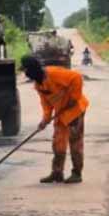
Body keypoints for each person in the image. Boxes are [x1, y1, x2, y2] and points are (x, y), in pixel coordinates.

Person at [20, 56, 90, 184]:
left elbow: (77, 77)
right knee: (58, 142)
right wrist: (45, 120)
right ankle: (57, 173)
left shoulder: (54, 73)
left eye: (25, 70)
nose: (25, 74)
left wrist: (74, 98)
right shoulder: (38, 85)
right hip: (61, 113)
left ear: (31, 69)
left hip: (75, 110)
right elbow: (46, 105)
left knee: (75, 141)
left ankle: (77, 173)